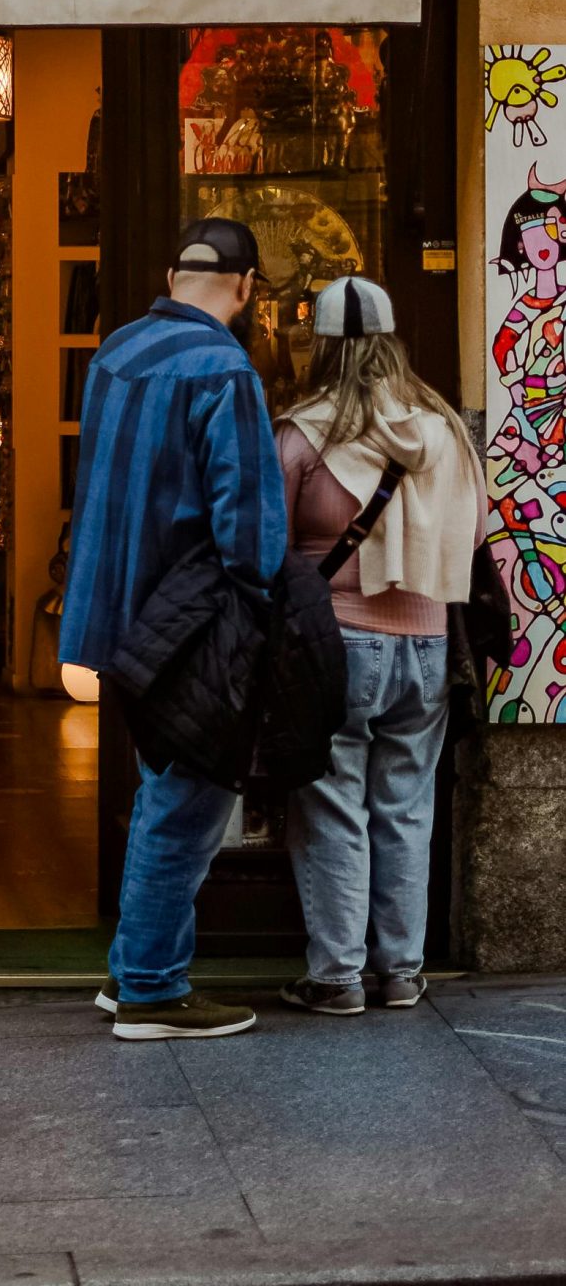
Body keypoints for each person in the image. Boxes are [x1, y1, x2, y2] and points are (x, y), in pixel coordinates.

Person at [62, 217, 286, 1040]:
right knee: (184, 801)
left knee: (164, 788)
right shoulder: (223, 369)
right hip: (188, 621)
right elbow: (250, 526)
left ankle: (133, 972)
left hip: (114, 610)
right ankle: (152, 988)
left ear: (171, 271)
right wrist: (260, 607)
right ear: (248, 286)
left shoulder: (119, 348)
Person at [276, 276, 482, 1013]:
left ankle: (335, 977)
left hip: (335, 645)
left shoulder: (305, 431)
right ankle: (400, 971)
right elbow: (476, 533)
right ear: (393, 342)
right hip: (426, 642)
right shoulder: (443, 429)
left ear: (321, 347)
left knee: (332, 806)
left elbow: (266, 537)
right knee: (406, 807)